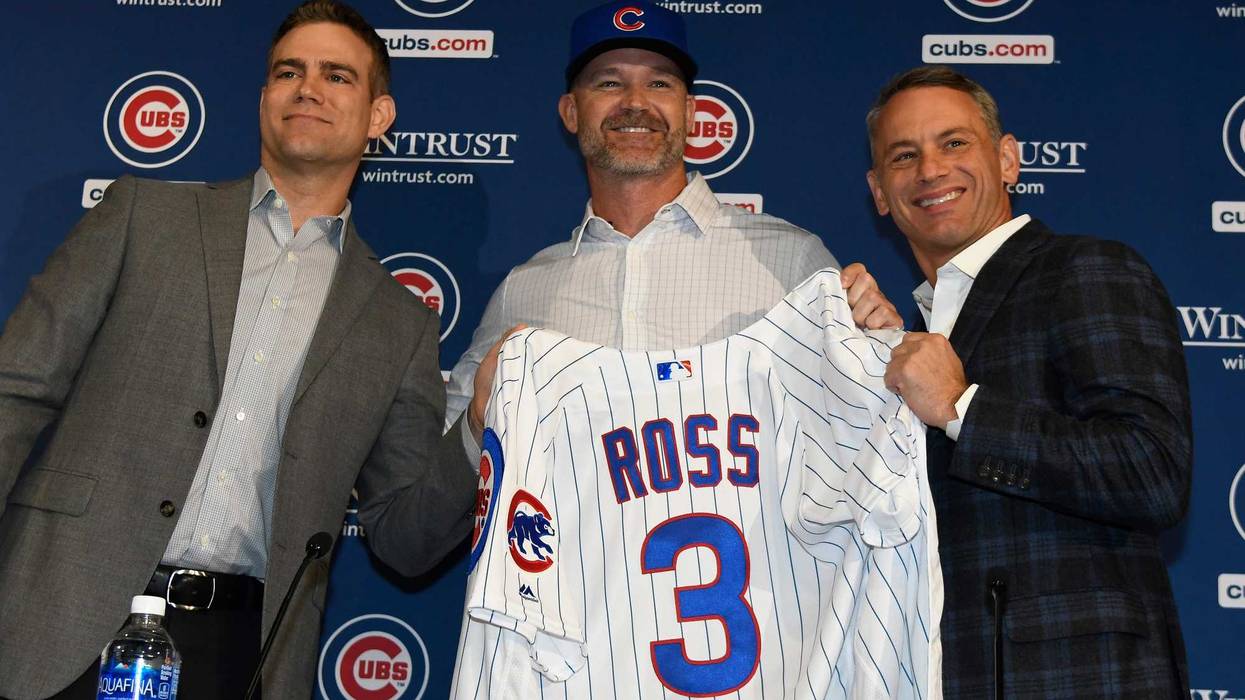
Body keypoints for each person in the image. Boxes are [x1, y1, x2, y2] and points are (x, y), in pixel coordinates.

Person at [0, 2, 475, 698]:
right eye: (289, 71)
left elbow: (405, 541)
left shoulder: (399, 323)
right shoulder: (142, 216)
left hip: (239, 657)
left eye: (337, 76)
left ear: (378, 117)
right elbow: (16, 390)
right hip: (58, 615)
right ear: (264, 98)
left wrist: (475, 432)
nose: (307, 89)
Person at [445, 0, 899, 458]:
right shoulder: (521, 292)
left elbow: (861, 438)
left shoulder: (794, 261)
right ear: (570, 112)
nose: (635, 103)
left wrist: (883, 350)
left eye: (658, 83)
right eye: (609, 82)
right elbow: (436, 494)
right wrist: (480, 420)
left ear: (691, 112)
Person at [867, 65, 1192, 698]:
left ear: (1009, 159)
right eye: (905, 156)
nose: (930, 170)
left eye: (954, 143)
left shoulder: (1086, 270)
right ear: (879, 191)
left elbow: (1152, 473)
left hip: (1077, 680)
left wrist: (963, 408)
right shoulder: (913, 332)